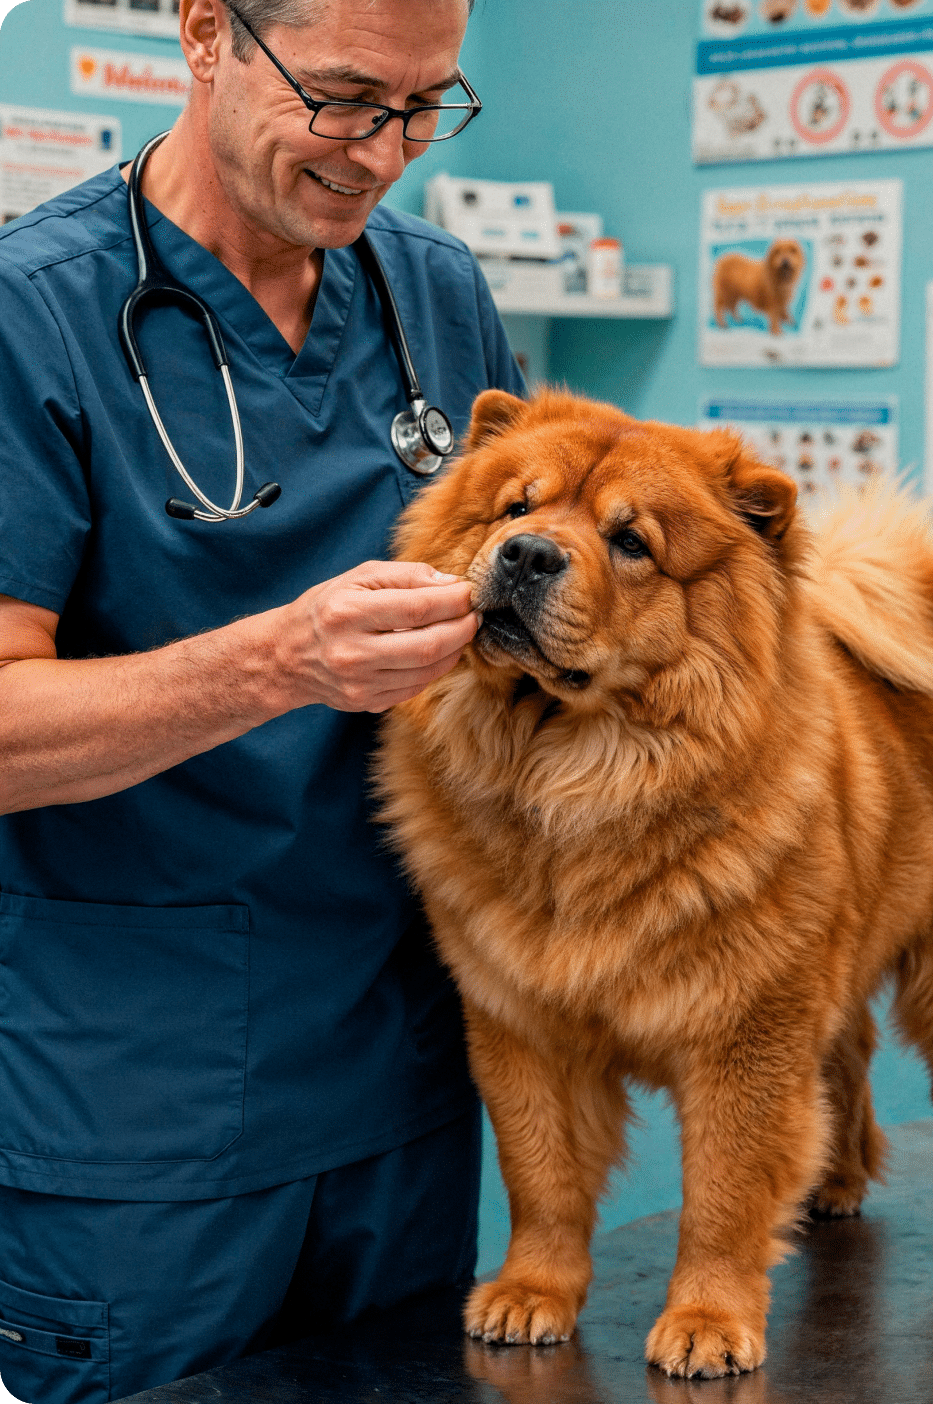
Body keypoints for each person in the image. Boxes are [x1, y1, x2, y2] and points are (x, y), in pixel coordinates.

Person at [0, 0, 525, 1397]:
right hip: (145, 1113)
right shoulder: (32, 313)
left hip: (406, 1070)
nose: (384, 154)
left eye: (426, 107)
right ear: (202, 31)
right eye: (346, 96)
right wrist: (279, 660)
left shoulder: (439, 295)